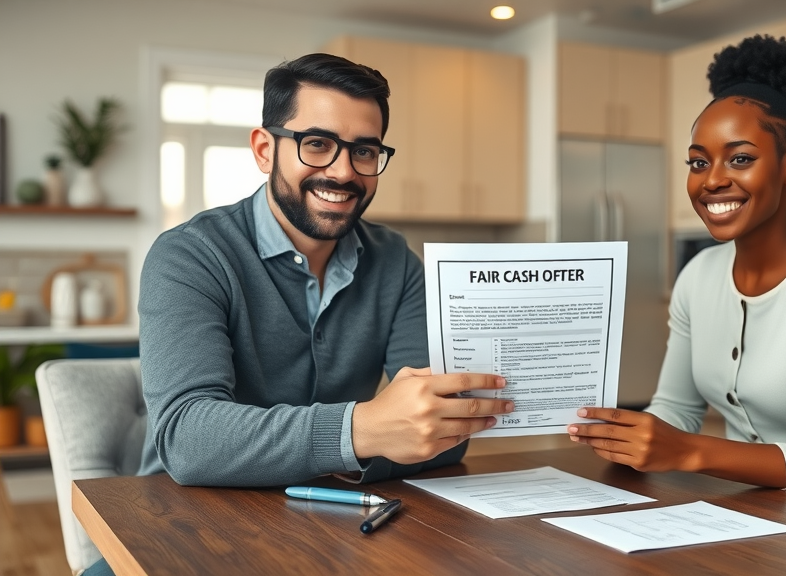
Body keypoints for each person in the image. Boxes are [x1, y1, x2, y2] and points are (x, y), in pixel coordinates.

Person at [567, 35, 786, 516]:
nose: (712, 179)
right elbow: (676, 411)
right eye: (699, 162)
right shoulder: (697, 277)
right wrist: (619, 432)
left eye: (740, 158)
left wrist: (690, 452)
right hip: (770, 516)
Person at [136, 53, 514, 488]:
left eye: (364, 151)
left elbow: (444, 431)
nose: (343, 172)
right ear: (264, 150)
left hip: (333, 510)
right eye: (316, 143)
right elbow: (187, 441)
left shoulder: (396, 261)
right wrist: (363, 431)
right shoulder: (189, 255)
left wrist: (369, 440)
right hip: (184, 509)